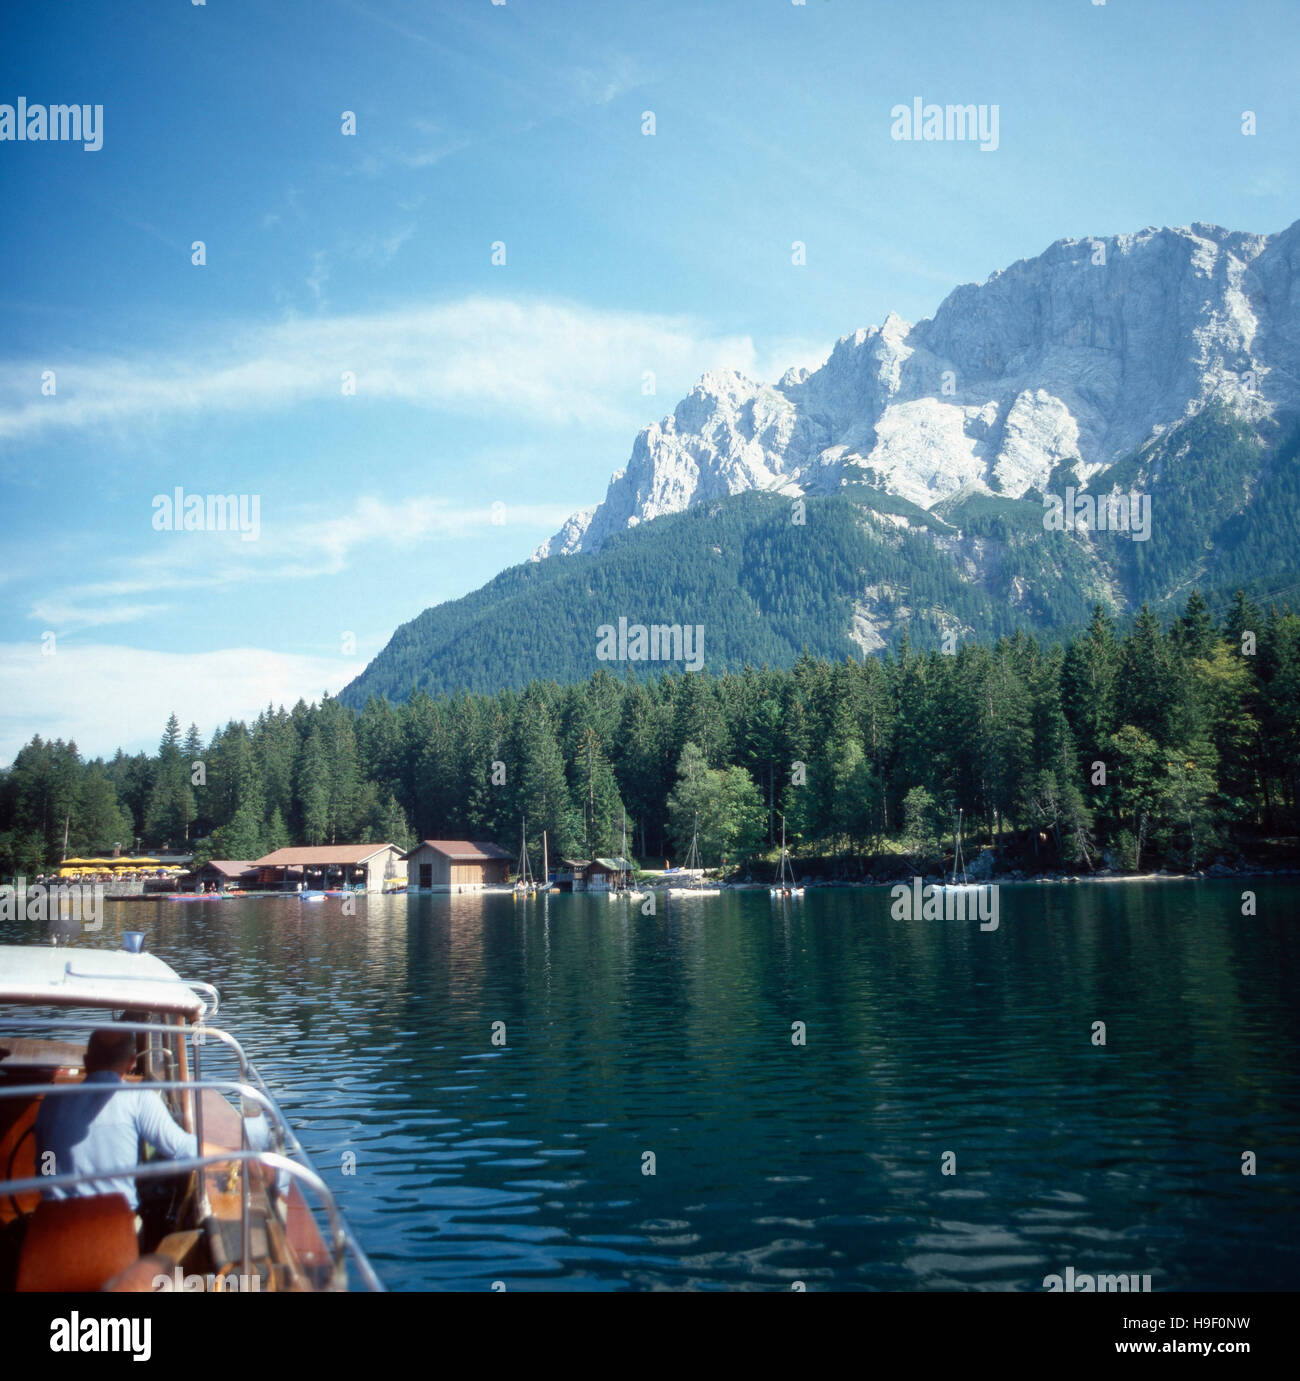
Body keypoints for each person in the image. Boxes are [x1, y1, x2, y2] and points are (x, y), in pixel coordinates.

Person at [35, 1027, 225, 1212]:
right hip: (115, 1227)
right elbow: (180, 1148)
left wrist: (55, 1189)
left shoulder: (51, 1102)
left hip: (54, 1227)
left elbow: (46, 1159)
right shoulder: (139, 1098)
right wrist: (235, 1155)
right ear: (132, 1062)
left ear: (86, 1061)